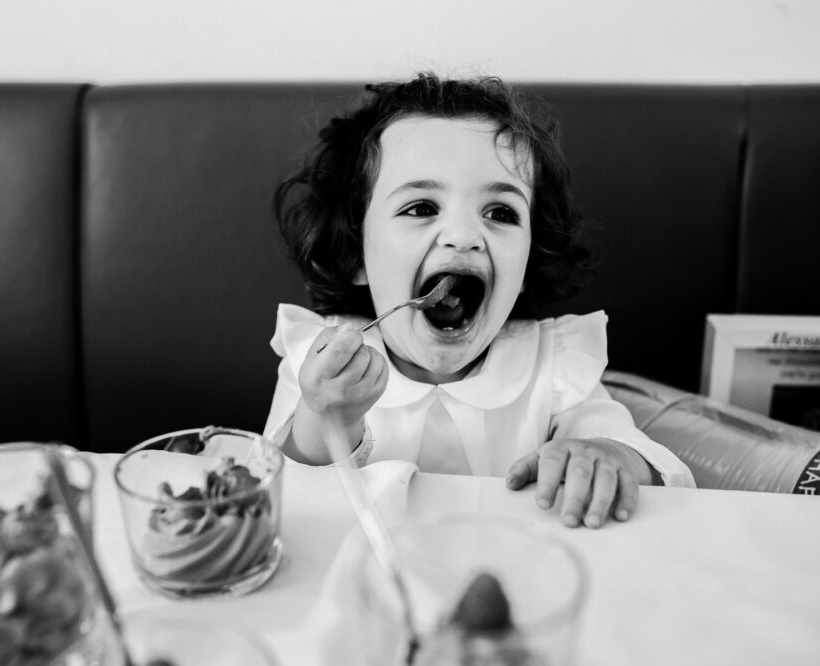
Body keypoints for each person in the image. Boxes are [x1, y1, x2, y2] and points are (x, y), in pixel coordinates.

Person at [265, 72, 694, 529]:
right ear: (356, 254)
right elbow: (273, 495)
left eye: (500, 213)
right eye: (422, 208)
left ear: (527, 263)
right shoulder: (317, 363)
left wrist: (608, 455)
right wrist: (325, 418)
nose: (464, 235)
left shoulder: (553, 369)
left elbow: (645, 462)